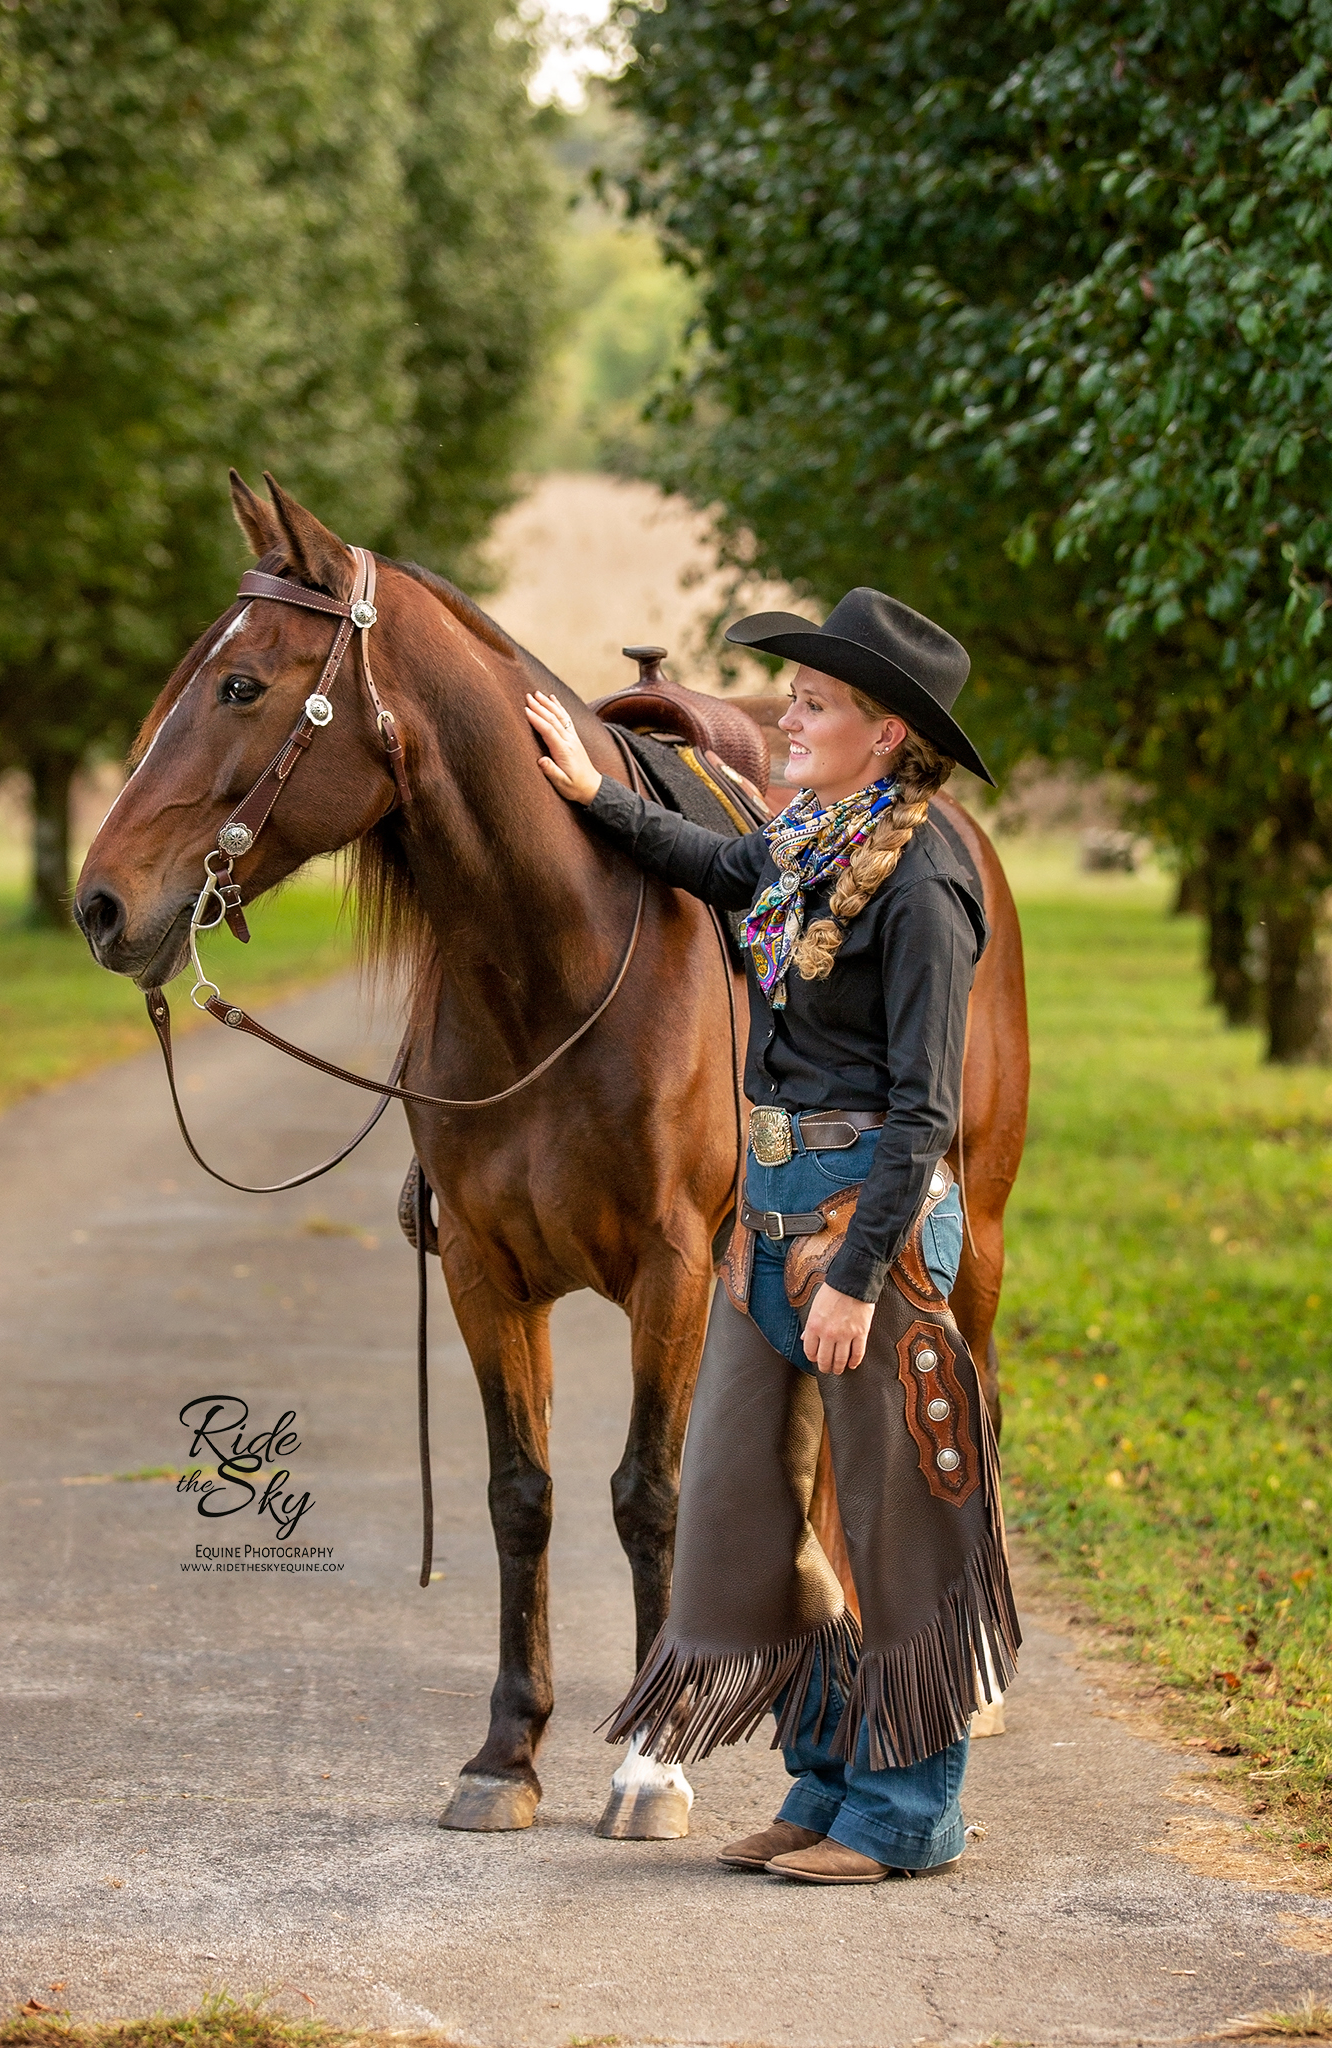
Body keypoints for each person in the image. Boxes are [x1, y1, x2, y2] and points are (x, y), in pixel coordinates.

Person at [524, 588, 1019, 1885]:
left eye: (814, 703)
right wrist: (590, 793)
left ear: (886, 733)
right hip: (768, 1228)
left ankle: (909, 1818)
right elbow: (705, 860)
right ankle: (824, 1779)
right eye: (794, 697)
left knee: (888, 1528)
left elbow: (928, 1108)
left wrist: (858, 1281)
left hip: (873, 1237)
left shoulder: (924, 881)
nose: (785, 718)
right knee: (745, 1513)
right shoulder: (808, 846)